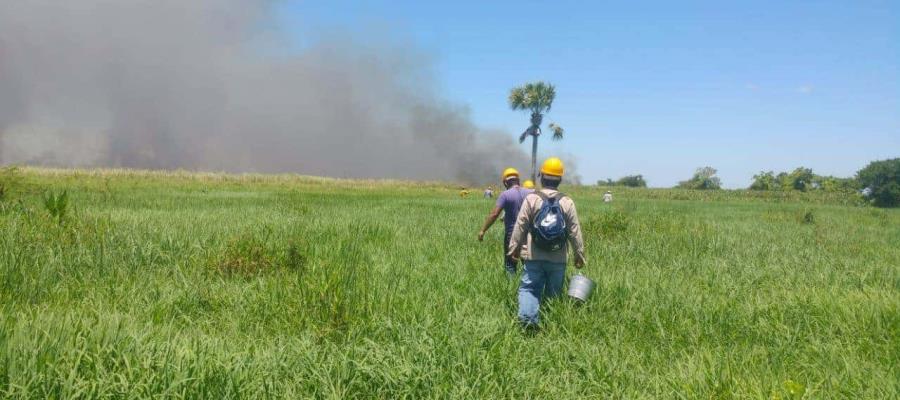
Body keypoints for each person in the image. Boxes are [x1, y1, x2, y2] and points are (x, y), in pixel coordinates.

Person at [508, 157, 585, 328]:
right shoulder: (567, 201)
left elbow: (520, 225)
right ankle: (551, 327)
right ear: (560, 179)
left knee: (530, 289)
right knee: (554, 293)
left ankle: (528, 325)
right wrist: (579, 255)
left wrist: (514, 249)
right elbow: (575, 231)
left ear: (541, 176)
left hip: (534, 255)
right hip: (558, 257)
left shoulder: (532, 199)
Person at [478, 167, 533, 275]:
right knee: (528, 264)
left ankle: (511, 285)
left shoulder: (505, 195)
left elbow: (494, 214)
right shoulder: (531, 193)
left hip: (511, 234)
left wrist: (483, 230)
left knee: (510, 265)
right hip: (528, 234)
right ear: (518, 180)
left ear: (505, 182)